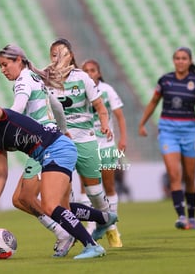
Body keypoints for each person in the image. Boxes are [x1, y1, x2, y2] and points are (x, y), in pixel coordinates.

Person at [0, 98, 118, 259]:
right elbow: (1, 173)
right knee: (63, 208)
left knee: (49, 206)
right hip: (50, 153)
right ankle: (104, 218)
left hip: (56, 148)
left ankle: (91, 245)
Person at [31, 38, 113, 240]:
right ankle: (76, 236)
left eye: (62, 54)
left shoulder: (83, 78)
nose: (57, 58)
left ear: (71, 56)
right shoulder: (45, 79)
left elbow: (101, 109)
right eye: (54, 54)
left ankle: (108, 223)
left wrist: (104, 124)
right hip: (58, 142)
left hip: (84, 138)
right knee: (61, 197)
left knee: (94, 192)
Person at [0, 44, 74, 257]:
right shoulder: (35, 78)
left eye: (5, 65)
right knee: (18, 200)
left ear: (18, 60)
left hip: (43, 143)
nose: (3, 70)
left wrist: (0, 126)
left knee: (29, 198)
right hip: (47, 140)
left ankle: (65, 233)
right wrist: (64, 130)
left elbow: (17, 109)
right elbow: (57, 106)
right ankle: (102, 219)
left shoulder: (23, 81)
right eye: (0, 67)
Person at [139, 47, 195, 230]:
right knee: (175, 174)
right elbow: (153, 102)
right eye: (177, 58)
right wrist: (142, 123)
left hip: (189, 132)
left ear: (190, 61)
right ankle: (181, 217)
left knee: (190, 177)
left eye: (184, 58)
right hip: (168, 131)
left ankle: (192, 218)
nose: (180, 61)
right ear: (173, 61)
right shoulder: (165, 80)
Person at [81, 58, 128, 247]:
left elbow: (120, 117)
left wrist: (123, 139)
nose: (90, 73)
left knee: (109, 186)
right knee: (85, 187)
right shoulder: (79, 90)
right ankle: (91, 226)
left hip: (107, 145)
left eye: (93, 70)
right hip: (87, 144)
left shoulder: (107, 90)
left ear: (98, 73)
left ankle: (112, 227)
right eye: (86, 70)